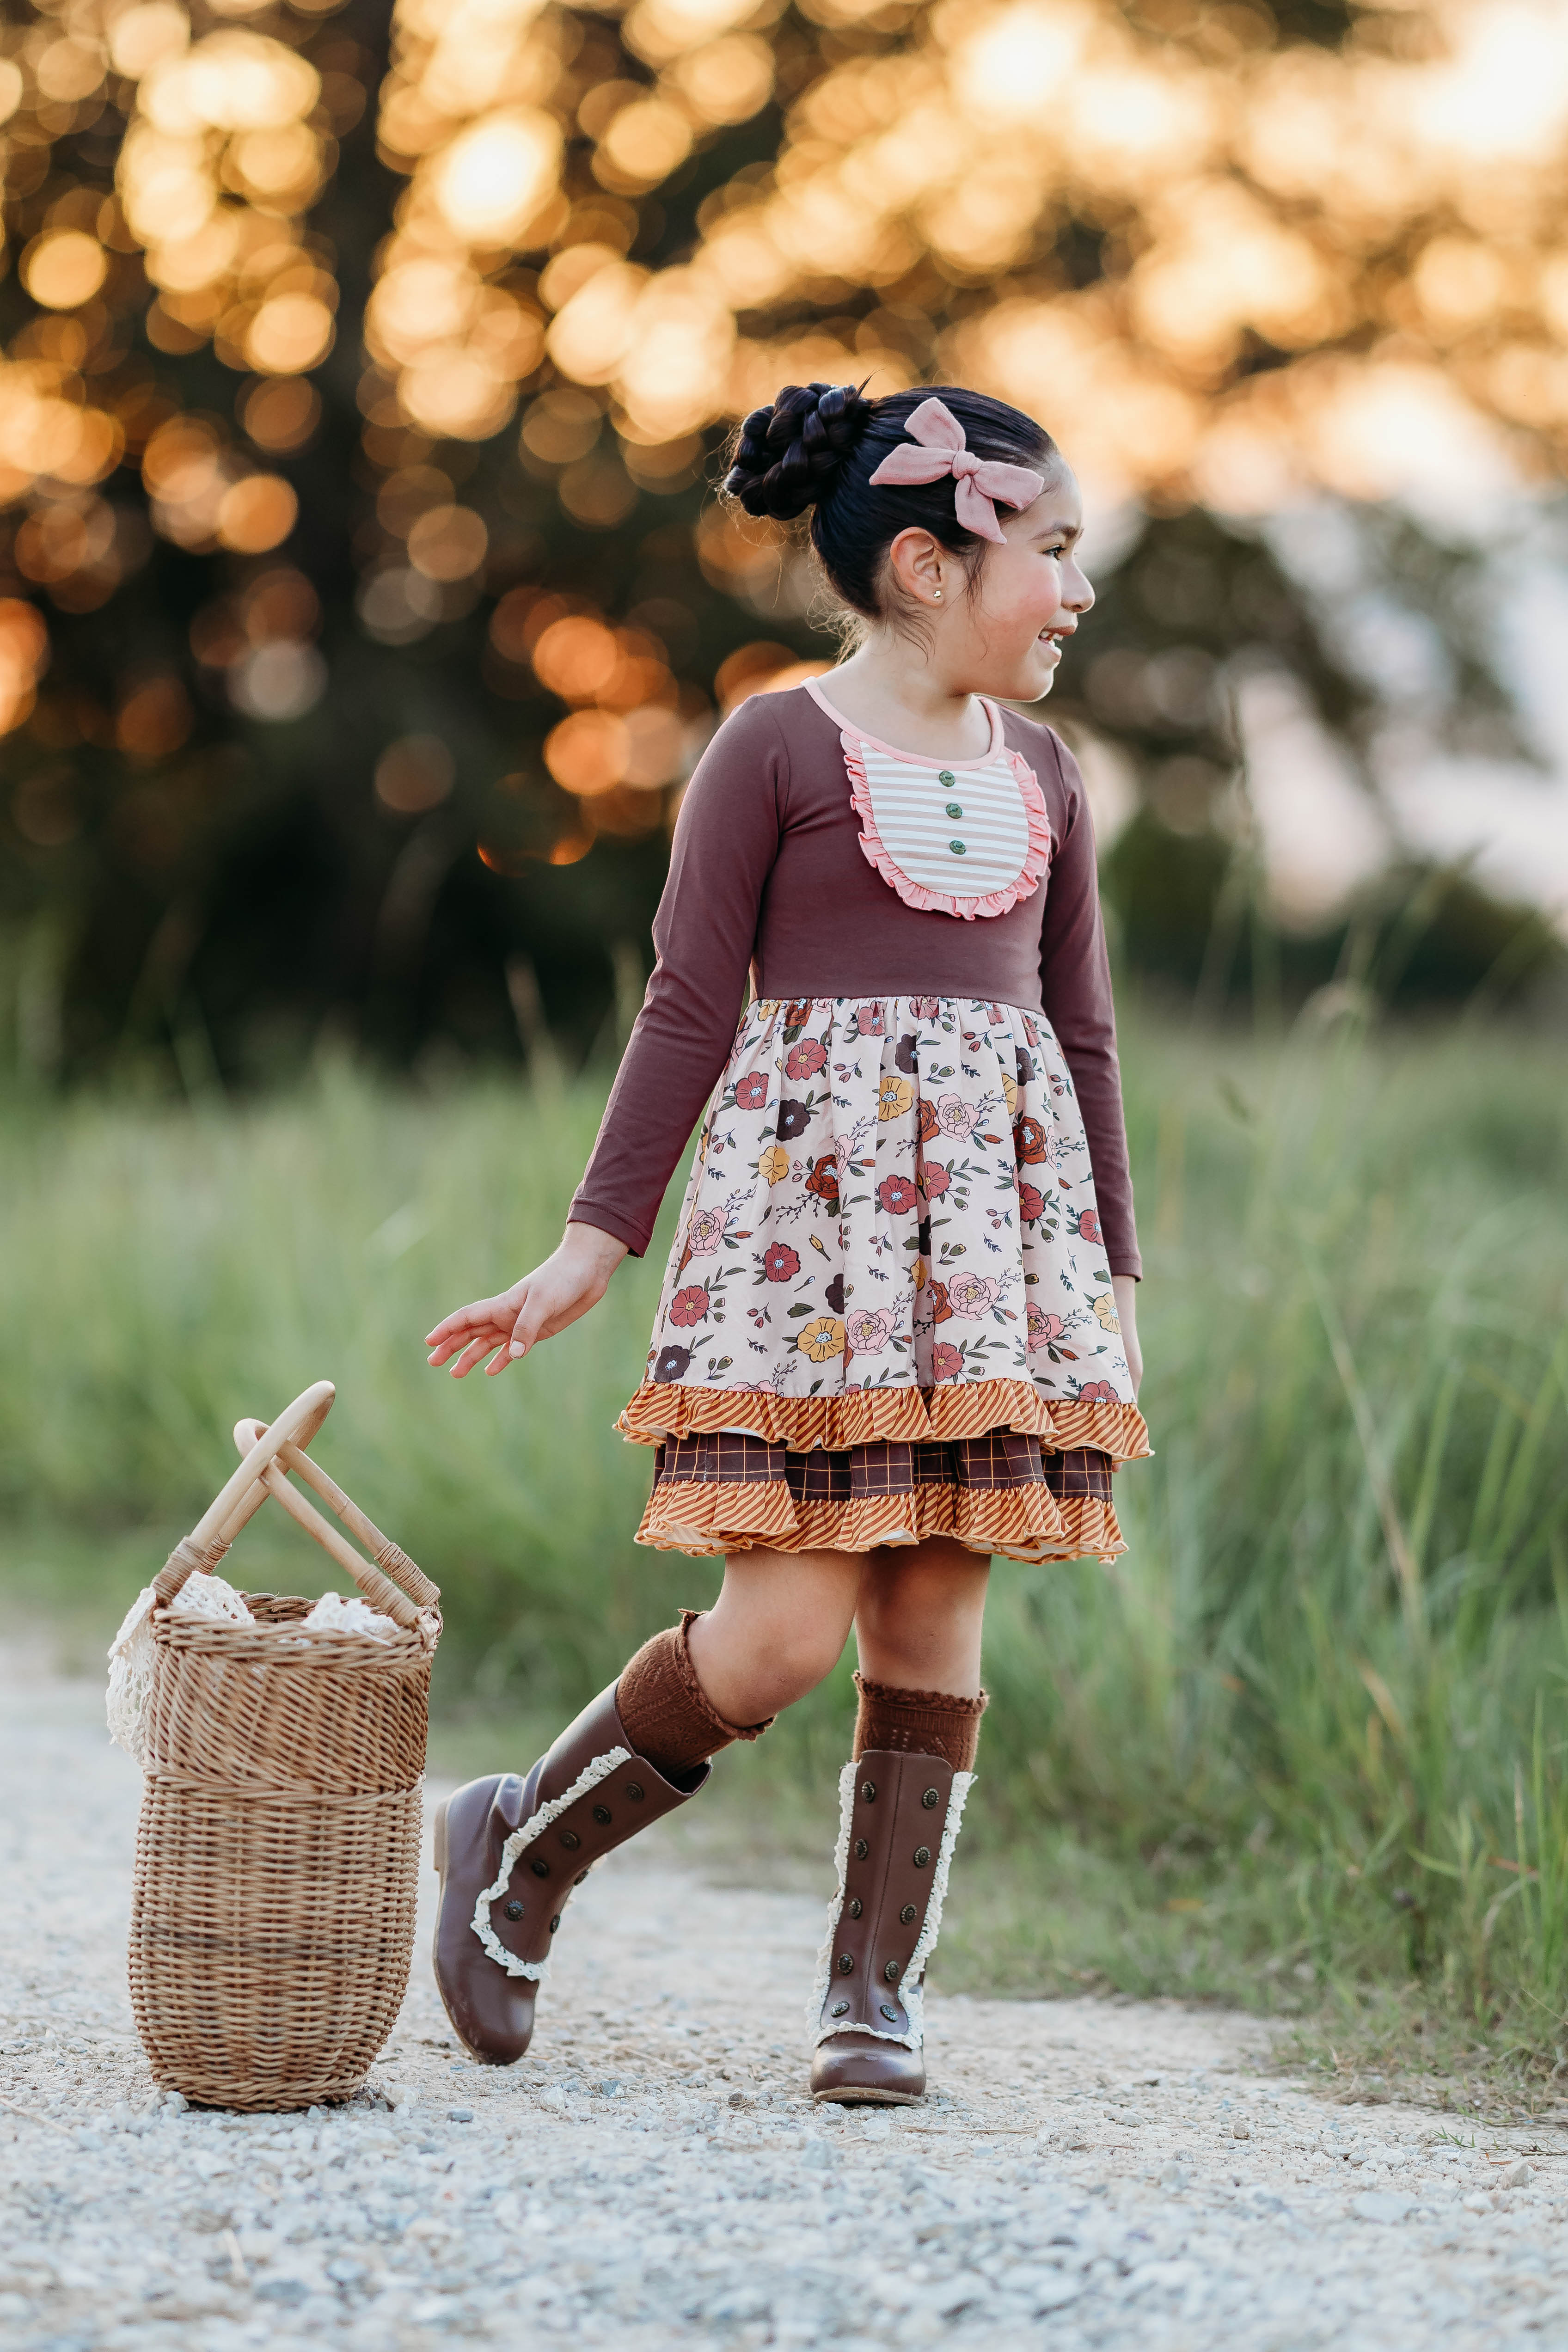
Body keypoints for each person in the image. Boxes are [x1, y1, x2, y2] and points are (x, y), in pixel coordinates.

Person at [423, 382, 1151, 2106]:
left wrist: (1111, 1282)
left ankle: (872, 1993)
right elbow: (687, 1006)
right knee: (778, 1639)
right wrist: (589, 1246)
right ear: (925, 564)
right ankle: (520, 1852)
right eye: (1049, 554)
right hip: (808, 1263)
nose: (1074, 590)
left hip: (992, 1270)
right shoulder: (773, 748)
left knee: (932, 1615)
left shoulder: (1047, 773)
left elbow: (1087, 1033)